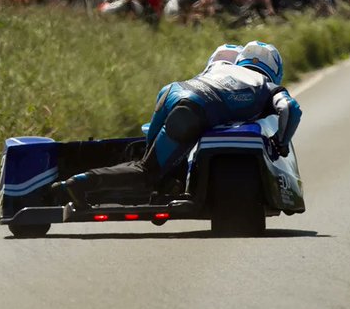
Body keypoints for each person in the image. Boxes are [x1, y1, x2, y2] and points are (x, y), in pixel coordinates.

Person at [59, 41, 302, 206]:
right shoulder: (266, 85)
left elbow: (154, 135)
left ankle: (83, 179)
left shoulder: (217, 72)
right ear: (275, 70)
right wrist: (281, 143)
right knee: (147, 175)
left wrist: (153, 153)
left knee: (147, 165)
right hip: (197, 110)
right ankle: (85, 182)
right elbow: (290, 108)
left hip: (175, 92)